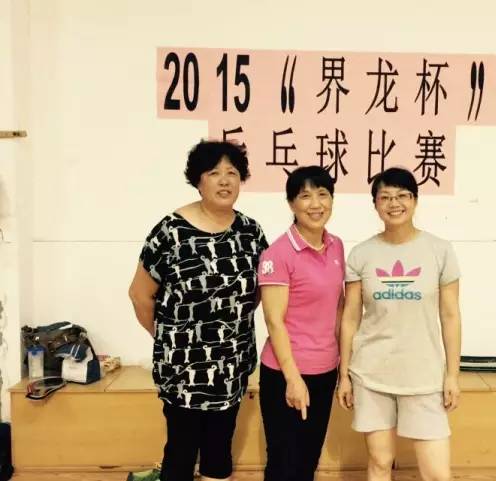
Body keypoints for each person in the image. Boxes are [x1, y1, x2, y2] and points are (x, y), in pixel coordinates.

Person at [128, 140, 268, 481]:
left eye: (232, 173)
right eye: (214, 173)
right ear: (198, 180)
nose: (225, 180)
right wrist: (169, 339)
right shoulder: (170, 232)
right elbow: (140, 296)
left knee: (220, 449)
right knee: (181, 449)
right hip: (182, 369)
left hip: (231, 365)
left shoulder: (250, 232)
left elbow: (257, 293)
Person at [337, 167, 462, 481]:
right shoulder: (362, 254)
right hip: (371, 374)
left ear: (415, 201)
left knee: (437, 473)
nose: (394, 203)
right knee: (380, 462)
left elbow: (450, 316)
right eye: (385, 197)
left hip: (423, 375)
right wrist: (344, 375)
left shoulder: (440, 250)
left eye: (402, 195)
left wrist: (452, 374)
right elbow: (350, 317)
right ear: (375, 205)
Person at [257, 166, 345, 481]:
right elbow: (274, 321)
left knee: (308, 460)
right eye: (305, 196)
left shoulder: (336, 245)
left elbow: (339, 308)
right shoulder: (277, 254)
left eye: (323, 194)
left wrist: (344, 368)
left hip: (325, 370)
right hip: (286, 373)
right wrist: (293, 379)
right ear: (291, 203)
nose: (315, 204)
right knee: (284, 464)